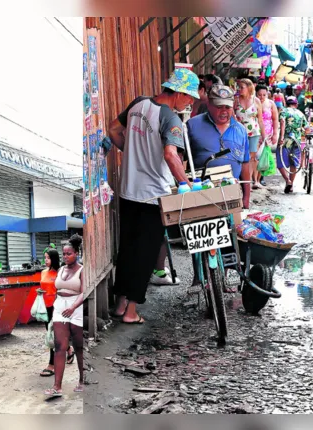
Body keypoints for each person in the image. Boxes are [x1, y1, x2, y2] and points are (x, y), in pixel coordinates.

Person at [107, 68, 197, 325]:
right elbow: (170, 155)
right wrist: (186, 183)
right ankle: (132, 312)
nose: (189, 103)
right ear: (178, 93)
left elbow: (114, 130)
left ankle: (120, 304)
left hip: (128, 191)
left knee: (127, 249)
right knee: (145, 255)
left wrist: (134, 153)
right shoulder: (171, 119)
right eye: (189, 97)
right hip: (152, 196)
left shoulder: (138, 104)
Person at [187, 84, 251, 208]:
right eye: (219, 107)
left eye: (227, 107)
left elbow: (245, 164)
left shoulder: (241, 130)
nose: (224, 111)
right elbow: (180, 160)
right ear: (209, 105)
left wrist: (246, 198)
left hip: (232, 194)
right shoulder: (192, 125)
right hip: (201, 194)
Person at [44, 235, 85, 397]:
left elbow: (84, 292)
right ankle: (57, 386)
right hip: (60, 307)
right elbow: (56, 290)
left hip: (76, 307)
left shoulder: (82, 270)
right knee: (60, 346)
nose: (66, 257)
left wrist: (73, 306)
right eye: (64, 254)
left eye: (69, 254)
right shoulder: (61, 269)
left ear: (76, 253)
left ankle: (82, 380)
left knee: (79, 346)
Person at [37, 248, 75, 377]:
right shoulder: (43, 272)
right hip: (45, 307)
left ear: (54, 259)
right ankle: (69, 349)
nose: (46, 260)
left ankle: (52, 364)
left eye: (48, 258)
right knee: (50, 334)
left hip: (57, 307)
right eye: (45, 257)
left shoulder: (61, 273)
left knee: (54, 336)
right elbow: (43, 287)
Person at [234, 78, 267, 189]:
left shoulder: (256, 101)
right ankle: (239, 179)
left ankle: (249, 181)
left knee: (252, 158)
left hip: (254, 132)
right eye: (239, 87)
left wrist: (264, 136)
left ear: (249, 88)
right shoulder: (236, 100)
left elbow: (260, 120)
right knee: (239, 155)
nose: (239, 89)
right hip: (239, 132)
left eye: (242, 87)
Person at [277, 96, 308, 194]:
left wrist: (281, 137)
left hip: (286, 140)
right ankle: (291, 185)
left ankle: (287, 180)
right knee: (293, 163)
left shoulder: (284, 111)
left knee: (280, 161)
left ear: (286, 103)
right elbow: (307, 128)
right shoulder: (301, 114)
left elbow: (282, 123)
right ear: (296, 104)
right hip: (297, 141)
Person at [256, 84, 280, 187]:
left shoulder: (271, 104)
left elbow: (275, 120)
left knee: (263, 156)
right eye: (259, 95)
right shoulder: (253, 103)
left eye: (264, 95)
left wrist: (275, 134)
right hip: (255, 132)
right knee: (255, 156)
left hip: (267, 134)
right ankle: (254, 178)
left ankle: (261, 177)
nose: (261, 97)